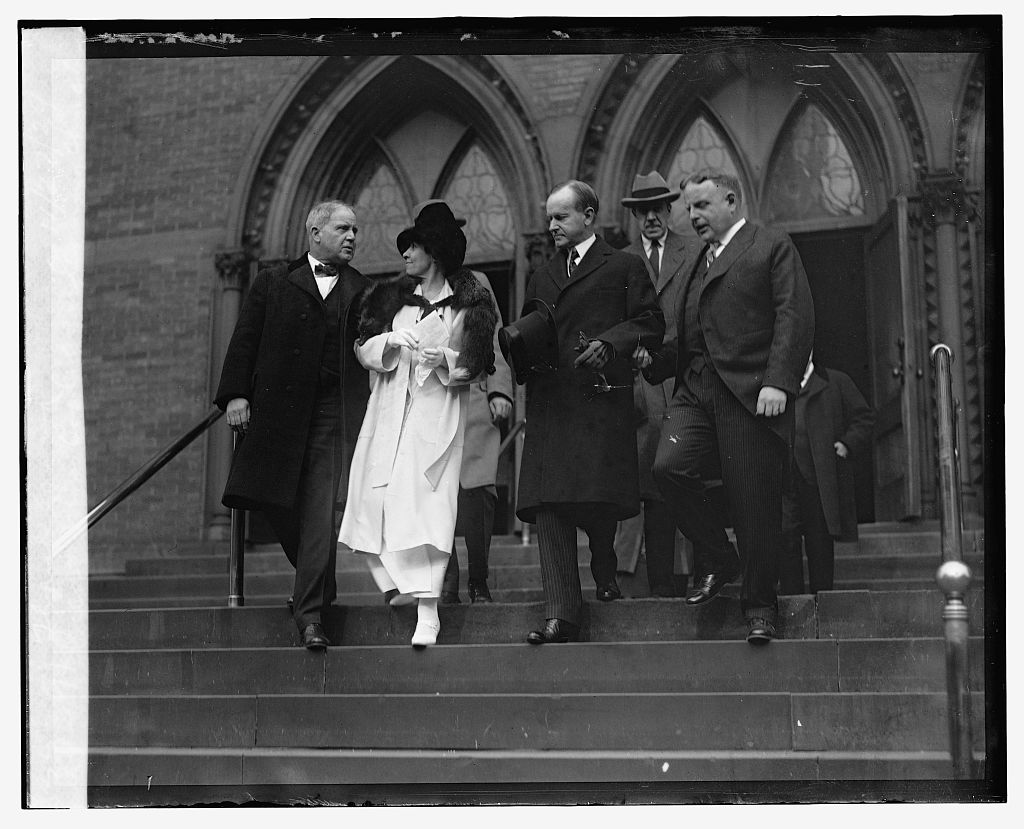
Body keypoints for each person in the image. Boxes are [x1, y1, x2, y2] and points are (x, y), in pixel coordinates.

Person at [646, 171, 814, 644]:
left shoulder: (769, 244)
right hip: (695, 390)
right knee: (668, 468)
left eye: (701, 206)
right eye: (689, 209)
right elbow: (685, 331)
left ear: (731, 200)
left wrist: (778, 381)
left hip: (749, 392)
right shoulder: (697, 261)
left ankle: (761, 607)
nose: (692, 216)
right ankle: (719, 555)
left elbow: (794, 313)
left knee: (754, 501)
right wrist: (654, 360)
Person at [338, 201, 496, 647]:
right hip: (388, 415)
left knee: (426, 514)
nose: (406, 254)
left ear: (436, 251)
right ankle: (392, 583)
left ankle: (429, 612)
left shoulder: (467, 306)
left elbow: (477, 363)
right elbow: (363, 348)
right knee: (368, 501)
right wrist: (389, 340)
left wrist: (443, 358)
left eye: (415, 246)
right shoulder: (391, 299)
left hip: (434, 418)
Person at [513, 180, 664, 644]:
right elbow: (531, 332)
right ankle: (562, 612)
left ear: (589, 216)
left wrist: (610, 343)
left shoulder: (623, 265)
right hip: (552, 406)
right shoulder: (541, 275)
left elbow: (650, 323)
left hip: (600, 403)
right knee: (549, 505)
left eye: (561, 216)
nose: (551, 226)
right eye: (549, 217)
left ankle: (605, 567)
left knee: (597, 502)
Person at [215, 200, 370, 650]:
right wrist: (236, 394)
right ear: (314, 232)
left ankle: (310, 617)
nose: (352, 237)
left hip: (331, 416)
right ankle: (319, 587)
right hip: (277, 416)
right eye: (343, 228)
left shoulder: (364, 289)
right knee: (277, 505)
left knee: (321, 512)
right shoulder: (273, 281)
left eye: (356, 231)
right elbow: (245, 338)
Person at [619, 171, 697, 597]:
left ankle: (687, 574)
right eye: (642, 211)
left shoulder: (694, 251)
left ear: (669, 210)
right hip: (641, 380)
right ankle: (655, 582)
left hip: (683, 377)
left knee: (682, 473)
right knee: (647, 480)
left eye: (658, 209)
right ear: (635, 216)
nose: (651, 217)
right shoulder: (623, 259)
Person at [440, 267, 514, 605]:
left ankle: (479, 580)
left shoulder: (475, 282)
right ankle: (447, 582)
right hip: (435, 406)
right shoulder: (414, 289)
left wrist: (500, 391)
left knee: (479, 493)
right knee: (438, 499)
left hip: (474, 396)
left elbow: (496, 341)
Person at [780, 358, 875, 594]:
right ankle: (793, 605)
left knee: (819, 541)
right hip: (785, 478)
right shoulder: (776, 384)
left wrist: (846, 443)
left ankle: (822, 603)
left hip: (820, 480)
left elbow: (865, 418)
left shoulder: (835, 381)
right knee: (785, 539)